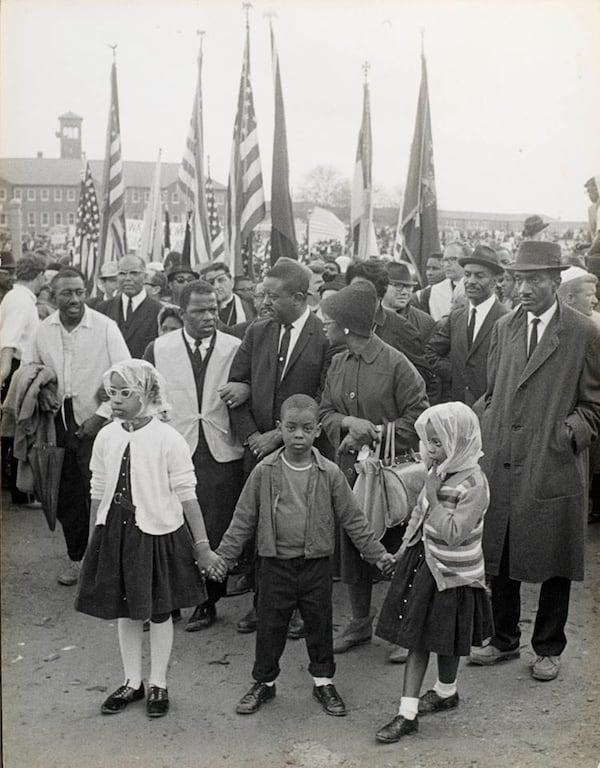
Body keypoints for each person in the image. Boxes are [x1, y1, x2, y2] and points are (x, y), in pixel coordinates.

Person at [214, 394, 396, 717]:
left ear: (317, 433)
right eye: (291, 428)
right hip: (273, 566)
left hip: (315, 566)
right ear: (279, 428)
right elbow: (243, 519)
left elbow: (354, 519)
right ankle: (264, 683)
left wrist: (378, 554)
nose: (298, 435)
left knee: (319, 625)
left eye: (306, 428)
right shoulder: (264, 471)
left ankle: (323, 681)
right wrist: (223, 559)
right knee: (270, 626)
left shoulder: (329, 473)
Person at [469, 241, 600, 681]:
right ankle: (503, 639)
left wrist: (567, 435)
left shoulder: (583, 332)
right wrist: (487, 431)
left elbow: (594, 404)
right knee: (501, 551)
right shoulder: (505, 327)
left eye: (535, 280)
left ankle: (548, 647)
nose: (524, 288)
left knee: (555, 557)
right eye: (519, 279)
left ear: (555, 282)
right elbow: (492, 390)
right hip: (504, 458)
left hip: (553, 461)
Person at [75, 360, 222, 718]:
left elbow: (187, 493)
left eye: (127, 393)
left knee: (158, 611)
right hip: (116, 534)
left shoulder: (168, 438)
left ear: (149, 393)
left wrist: (201, 545)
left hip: (156, 534)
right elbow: (98, 486)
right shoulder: (107, 436)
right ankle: (132, 681)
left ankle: (159, 682)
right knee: (126, 612)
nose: (118, 400)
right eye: (112, 393)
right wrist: (97, 530)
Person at [220, 257, 331, 636]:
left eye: (272, 295)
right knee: (258, 530)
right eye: (262, 294)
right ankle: (262, 604)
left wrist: (281, 437)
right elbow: (237, 386)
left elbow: (324, 395)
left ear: (299, 298)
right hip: (258, 452)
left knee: (298, 535)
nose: (264, 302)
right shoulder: (258, 331)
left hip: (302, 452)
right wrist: (253, 437)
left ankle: (297, 611)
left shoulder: (324, 336)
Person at [319, 281, 428, 658]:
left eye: (329, 321)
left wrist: (377, 433)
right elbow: (323, 413)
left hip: (391, 479)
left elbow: (420, 421)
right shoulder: (337, 362)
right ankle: (360, 622)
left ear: (348, 326)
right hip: (349, 474)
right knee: (352, 545)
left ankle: (403, 628)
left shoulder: (398, 365)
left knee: (397, 547)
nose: (324, 327)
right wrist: (348, 425)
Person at [375, 403, 493, 742]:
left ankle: (445, 691)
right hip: (425, 565)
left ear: (459, 441)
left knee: (447, 640)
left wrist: (433, 495)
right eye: (428, 442)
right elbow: (419, 514)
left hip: (455, 574)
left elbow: (455, 532)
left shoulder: (474, 483)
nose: (431, 450)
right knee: (418, 640)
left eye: (438, 443)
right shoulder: (436, 473)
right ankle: (407, 712)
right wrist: (402, 548)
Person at [144, 280, 244, 632]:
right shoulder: (158, 349)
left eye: (214, 309)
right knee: (172, 524)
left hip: (220, 448)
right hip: (175, 446)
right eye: (200, 311)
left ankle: (207, 599)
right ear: (181, 312)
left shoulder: (234, 347)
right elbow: (148, 397)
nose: (209, 317)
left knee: (214, 525)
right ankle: (169, 600)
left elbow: (246, 386)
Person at [24, 267, 131, 586]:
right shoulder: (43, 330)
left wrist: (101, 415)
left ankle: (106, 562)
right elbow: (29, 369)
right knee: (67, 494)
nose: (74, 299)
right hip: (57, 422)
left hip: (100, 422)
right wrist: (41, 391)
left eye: (79, 292)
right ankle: (77, 559)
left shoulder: (105, 327)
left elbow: (126, 374)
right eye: (66, 293)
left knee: (104, 492)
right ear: (52, 296)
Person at [425, 245, 509, 407]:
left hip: (491, 410)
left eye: (479, 276)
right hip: (458, 408)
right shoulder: (457, 317)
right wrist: (455, 373)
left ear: (495, 280)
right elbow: (431, 352)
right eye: (468, 275)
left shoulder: (507, 319)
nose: (471, 281)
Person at [0, 252, 47, 504]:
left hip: (16, 368)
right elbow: (9, 338)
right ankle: (19, 491)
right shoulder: (22, 300)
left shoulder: (14, 296)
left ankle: (17, 488)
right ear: (39, 275)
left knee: (13, 431)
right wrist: (5, 372)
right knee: (19, 430)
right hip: (17, 368)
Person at [97, 254, 162, 358]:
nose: (128, 278)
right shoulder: (103, 309)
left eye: (134, 273)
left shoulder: (159, 311)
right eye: (122, 273)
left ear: (145, 277)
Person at [382, 261, 435, 344]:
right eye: (398, 286)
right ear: (383, 286)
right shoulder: (367, 316)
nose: (404, 292)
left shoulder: (425, 323)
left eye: (409, 287)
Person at [200, 262, 254, 326]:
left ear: (232, 282)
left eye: (221, 280)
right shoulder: (200, 309)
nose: (216, 286)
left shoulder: (250, 309)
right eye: (211, 282)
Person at [426, 243, 468, 321]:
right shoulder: (436, 290)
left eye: (452, 259)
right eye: (445, 260)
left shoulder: (474, 286)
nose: (447, 264)